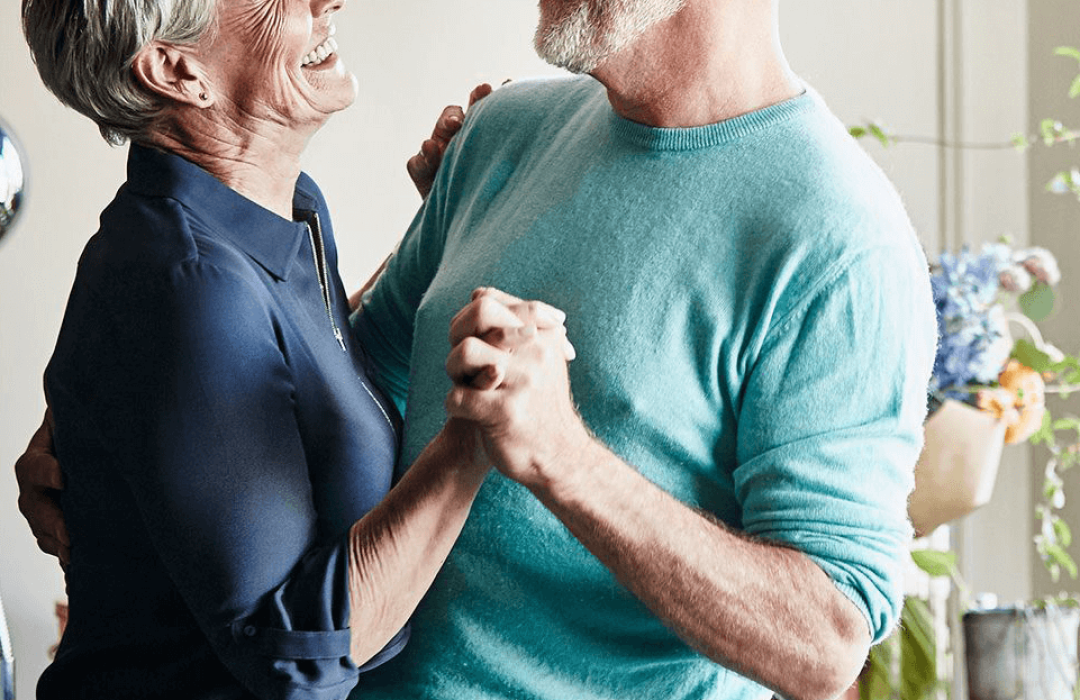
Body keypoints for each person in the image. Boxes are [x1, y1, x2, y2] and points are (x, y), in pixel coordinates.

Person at [19, 2, 937, 700]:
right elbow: (348, 385)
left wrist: (566, 461)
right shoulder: (503, 138)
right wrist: (111, 424)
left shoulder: (838, 242)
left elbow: (826, 641)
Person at [15, 0, 566, 698]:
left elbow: (298, 379)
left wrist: (444, 232)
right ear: (177, 70)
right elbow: (297, 654)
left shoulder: (287, 208)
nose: (325, 2)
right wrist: (476, 439)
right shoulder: (186, 283)